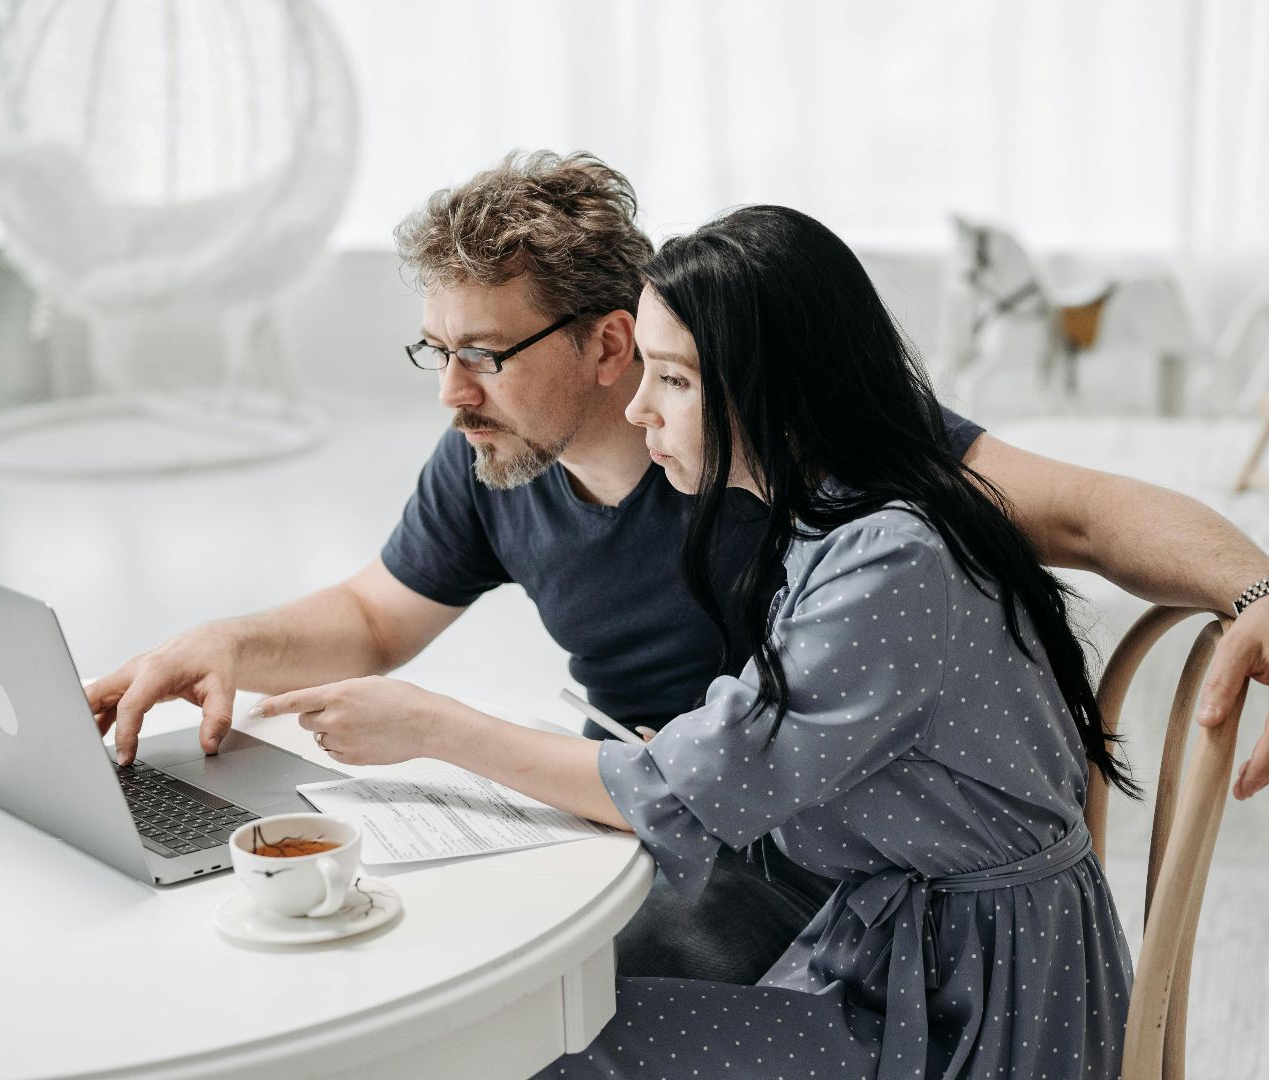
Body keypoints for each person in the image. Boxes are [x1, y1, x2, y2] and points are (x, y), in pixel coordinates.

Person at [86, 152, 1269, 986]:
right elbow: (372, 612)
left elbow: (1074, 515)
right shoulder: (491, 455)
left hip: (805, 861)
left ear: (609, 345)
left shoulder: (810, 466)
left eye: (483, 352)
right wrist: (222, 647)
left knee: (511, 1009)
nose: (452, 393)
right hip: (658, 810)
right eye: (435, 353)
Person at [254, 204, 1142, 1077]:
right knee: (543, 1014)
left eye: (671, 380)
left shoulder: (890, 559)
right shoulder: (829, 523)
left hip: (975, 997)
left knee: (544, 1038)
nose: (638, 409)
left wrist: (432, 726)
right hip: (901, 944)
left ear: (775, 390)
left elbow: (678, 795)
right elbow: (771, 746)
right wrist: (703, 758)